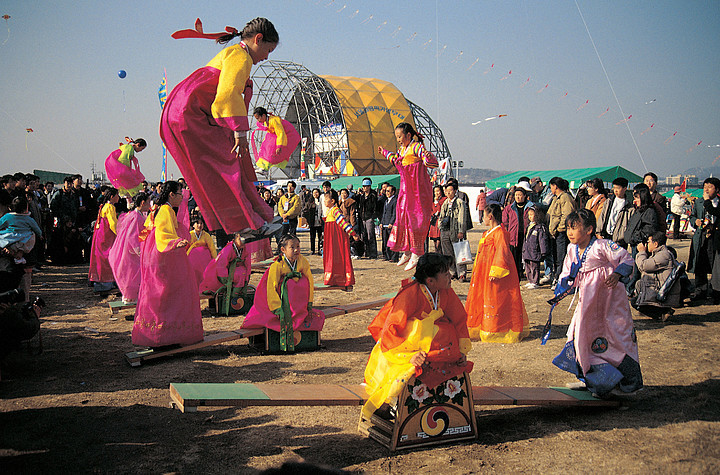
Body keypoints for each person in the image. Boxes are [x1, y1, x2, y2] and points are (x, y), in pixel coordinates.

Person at [160, 18, 278, 234]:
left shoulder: (235, 53)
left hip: (185, 110)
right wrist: (240, 132)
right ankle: (246, 223)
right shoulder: (241, 56)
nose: (267, 57)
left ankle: (256, 217)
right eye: (268, 50)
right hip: (191, 112)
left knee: (226, 164)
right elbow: (227, 93)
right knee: (227, 164)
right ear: (257, 39)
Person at [361, 253, 474, 420]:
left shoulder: (445, 292)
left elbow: (458, 319)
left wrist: (461, 352)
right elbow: (390, 331)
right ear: (430, 280)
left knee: (444, 331)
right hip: (401, 348)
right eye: (445, 273)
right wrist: (410, 356)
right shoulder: (409, 295)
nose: (450, 276)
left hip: (433, 349)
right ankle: (391, 404)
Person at [551, 209, 642, 398]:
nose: (570, 232)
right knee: (580, 335)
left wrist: (617, 274)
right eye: (568, 228)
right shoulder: (571, 249)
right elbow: (568, 273)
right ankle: (591, 379)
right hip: (588, 302)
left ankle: (624, 385)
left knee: (616, 337)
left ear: (589, 229)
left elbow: (626, 258)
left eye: (574, 228)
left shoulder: (603, 246)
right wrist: (562, 289)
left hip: (610, 301)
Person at [132, 181, 203, 347]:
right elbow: (164, 233)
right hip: (162, 254)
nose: (181, 197)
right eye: (179, 194)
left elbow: (146, 230)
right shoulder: (166, 209)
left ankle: (159, 332)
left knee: (158, 291)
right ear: (171, 194)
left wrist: (141, 247)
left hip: (152, 252)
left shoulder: (156, 208)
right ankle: (165, 334)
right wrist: (174, 242)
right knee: (170, 290)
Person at [242, 234, 325, 351]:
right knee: (289, 284)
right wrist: (277, 308)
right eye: (292, 247)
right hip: (283, 302)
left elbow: (310, 281)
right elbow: (271, 287)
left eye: (298, 246)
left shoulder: (303, 261)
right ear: (283, 250)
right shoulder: (277, 265)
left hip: (298, 303)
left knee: (303, 281)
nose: (296, 250)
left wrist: (310, 302)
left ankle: (298, 313)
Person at [378, 122, 438, 271]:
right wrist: (384, 152)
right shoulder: (402, 150)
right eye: (397, 137)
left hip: (417, 189)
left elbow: (428, 160)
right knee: (402, 215)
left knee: (415, 219)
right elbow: (394, 158)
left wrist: (427, 159)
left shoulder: (416, 147)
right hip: (406, 188)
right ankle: (406, 250)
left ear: (408, 135)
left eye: (400, 136)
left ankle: (416, 252)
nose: (398, 139)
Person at [465, 204, 529, 342]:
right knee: (484, 297)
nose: (483, 218)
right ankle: (482, 326)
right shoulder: (488, 233)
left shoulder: (500, 233)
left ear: (490, 216)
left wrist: (496, 270)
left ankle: (497, 328)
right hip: (483, 270)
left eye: (484, 215)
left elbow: (502, 252)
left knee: (496, 298)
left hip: (493, 271)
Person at [109, 192, 150, 304]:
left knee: (133, 273)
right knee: (132, 273)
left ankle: (133, 296)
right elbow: (133, 235)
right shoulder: (136, 217)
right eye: (148, 201)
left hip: (130, 248)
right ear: (142, 203)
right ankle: (131, 297)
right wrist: (139, 251)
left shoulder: (135, 214)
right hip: (132, 249)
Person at [633, 231, 683, 321]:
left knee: (635, 303)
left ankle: (663, 313)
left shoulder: (664, 255)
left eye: (648, 242)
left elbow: (643, 266)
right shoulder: (659, 253)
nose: (647, 244)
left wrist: (641, 252)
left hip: (662, 294)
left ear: (655, 244)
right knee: (638, 286)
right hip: (658, 289)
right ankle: (662, 311)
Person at [200, 231, 252, 315]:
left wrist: (247, 276)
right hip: (220, 272)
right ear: (235, 239)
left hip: (237, 271)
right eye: (240, 239)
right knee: (239, 273)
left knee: (242, 273)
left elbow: (248, 263)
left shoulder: (245, 249)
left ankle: (236, 297)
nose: (243, 242)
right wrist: (226, 280)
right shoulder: (228, 249)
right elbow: (221, 265)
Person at [687, 177, 720, 304]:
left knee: (714, 265)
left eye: (710, 187)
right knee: (700, 263)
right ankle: (700, 290)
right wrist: (695, 221)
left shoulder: (717, 203)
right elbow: (692, 216)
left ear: (717, 189)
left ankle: (715, 291)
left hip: (714, 238)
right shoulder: (699, 202)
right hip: (700, 236)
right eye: (705, 186)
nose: (706, 189)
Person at [624, 184, 660, 295]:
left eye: (637, 197)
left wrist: (636, 237)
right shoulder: (639, 210)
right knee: (633, 269)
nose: (635, 200)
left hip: (640, 245)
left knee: (637, 270)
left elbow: (649, 229)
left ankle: (630, 290)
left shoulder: (649, 211)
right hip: (634, 243)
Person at [323, 189, 360, 287]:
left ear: (333, 201)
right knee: (331, 257)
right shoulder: (329, 211)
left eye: (326, 199)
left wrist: (353, 233)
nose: (324, 201)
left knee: (337, 257)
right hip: (331, 238)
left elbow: (343, 223)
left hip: (335, 239)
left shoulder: (335, 210)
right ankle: (332, 278)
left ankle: (340, 278)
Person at [547, 177, 578, 287]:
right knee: (556, 257)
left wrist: (559, 228)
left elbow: (567, 215)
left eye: (551, 186)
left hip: (561, 233)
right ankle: (556, 277)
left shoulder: (565, 198)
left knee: (561, 257)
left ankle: (561, 279)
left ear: (555, 186)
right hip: (555, 233)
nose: (550, 188)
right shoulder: (556, 198)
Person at [88, 188, 119, 291]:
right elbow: (113, 224)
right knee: (108, 258)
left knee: (101, 258)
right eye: (117, 195)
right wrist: (120, 234)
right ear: (112, 196)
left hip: (101, 235)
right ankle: (107, 283)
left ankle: (100, 282)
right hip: (107, 237)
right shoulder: (110, 207)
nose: (118, 197)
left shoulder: (104, 206)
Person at [251, 106, 300, 171]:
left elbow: (280, 132)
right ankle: (262, 165)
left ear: (263, 115)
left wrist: (279, 146)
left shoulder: (274, 120)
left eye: (258, 118)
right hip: (277, 135)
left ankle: (265, 168)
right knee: (264, 146)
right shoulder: (266, 121)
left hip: (289, 135)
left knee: (270, 148)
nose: (258, 120)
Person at [501, 182, 534, 278]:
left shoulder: (530, 207)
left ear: (525, 196)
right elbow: (505, 222)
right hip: (513, 236)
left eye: (520, 195)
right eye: (516, 195)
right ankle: (516, 274)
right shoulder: (509, 208)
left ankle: (525, 273)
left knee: (525, 255)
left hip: (526, 235)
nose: (518, 197)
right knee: (514, 255)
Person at [438, 181, 468, 281]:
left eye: (450, 191)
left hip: (456, 230)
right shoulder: (445, 203)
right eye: (447, 191)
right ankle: (452, 272)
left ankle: (462, 273)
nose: (448, 193)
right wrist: (440, 227)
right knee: (448, 253)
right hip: (445, 231)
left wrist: (461, 231)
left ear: (455, 191)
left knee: (459, 252)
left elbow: (462, 217)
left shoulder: (460, 202)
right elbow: (441, 217)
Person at [0, 196, 42, 265]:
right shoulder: (28, 218)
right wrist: (40, 235)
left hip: (9, 238)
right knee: (31, 236)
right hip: (24, 239)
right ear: (25, 208)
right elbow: (36, 229)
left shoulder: (7, 216)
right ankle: (19, 254)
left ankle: (11, 252)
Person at [597, 177, 633, 243]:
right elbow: (602, 216)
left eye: (618, 188)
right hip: (606, 235)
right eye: (614, 188)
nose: (615, 190)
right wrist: (599, 233)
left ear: (625, 188)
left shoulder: (629, 206)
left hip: (619, 239)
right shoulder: (609, 201)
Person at [522, 207, 549, 289]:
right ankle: (530, 280)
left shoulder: (540, 227)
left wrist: (543, 251)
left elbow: (542, 240)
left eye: (531, 215)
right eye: (529, 215)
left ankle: (535, 281)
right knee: (528, 267)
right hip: (527, 250)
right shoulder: (529, 226)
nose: (530, 217)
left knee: (534, 267)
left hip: (535, 250)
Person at [187, 218, 218, 288]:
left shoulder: (206, 235)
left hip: (204, 260)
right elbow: (186, 248)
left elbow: (212, 248)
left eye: (201, 223)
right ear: (193, 225)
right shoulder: (189, 235)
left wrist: (215, 259)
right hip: (193, 260)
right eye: (197, 223)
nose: (199, 225)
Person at [355, 178, 378, 259]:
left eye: (366, 186)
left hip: (369, 217)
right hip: (362, 218)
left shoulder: (373, 195)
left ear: (369, 186)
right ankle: (366, 252)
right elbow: (355, 200)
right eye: (363, 186)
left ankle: (373, 253)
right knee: (364, 236)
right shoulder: (362, 196)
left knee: (370, 236)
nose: (365, 188)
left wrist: (373, 217)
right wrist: (358, 193)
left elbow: (375, 207)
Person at [380, 185, 398, 262]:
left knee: (393, 241)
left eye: (388, 191)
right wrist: (381, 222)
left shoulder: (395, 200)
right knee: (386, 241)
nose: (387, 193)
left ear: (393, 192)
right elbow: (384, 213)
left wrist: (391, 222)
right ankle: (387, 256)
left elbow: (395, 213)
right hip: (385, 224)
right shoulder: (386, 201)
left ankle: (394, 257)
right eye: (386, 191)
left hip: (391, 224)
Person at [428, 185, 446, 253]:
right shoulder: (432, 200)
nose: (436, 193)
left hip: (440, 222)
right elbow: (431, 210)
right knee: (435, 242)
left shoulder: (444, 199)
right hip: (434, 222)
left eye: (438, 191)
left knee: (439, 243)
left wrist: (437, 203)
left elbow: (440, 210)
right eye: (435, 191)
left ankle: (440, 255)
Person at [308, 188, 323, 255]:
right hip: (312, 221)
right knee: (312, 236)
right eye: (314, 193)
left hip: (320, 220)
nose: (315, 194)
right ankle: (312, 249)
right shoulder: (310, 201)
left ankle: (320, 249)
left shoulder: (322, 201)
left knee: (320, 236)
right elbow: (306, 210)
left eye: (316, 192)